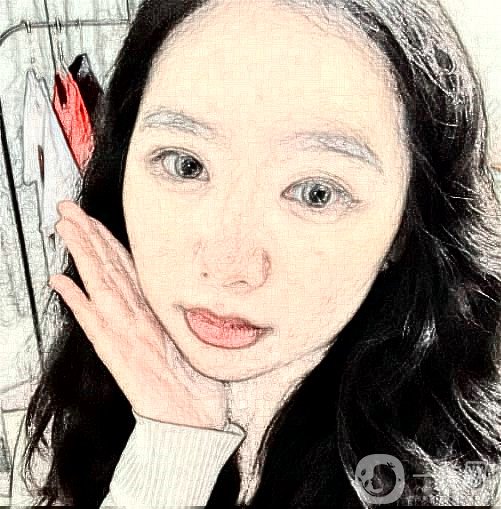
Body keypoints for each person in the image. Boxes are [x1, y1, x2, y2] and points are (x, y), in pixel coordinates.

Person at [9, 0, 501, 507]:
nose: (229, 265)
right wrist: (172, 445)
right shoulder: (87, 394)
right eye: (185, 164)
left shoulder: (449, 480)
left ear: (406, 227)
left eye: (316, 193)